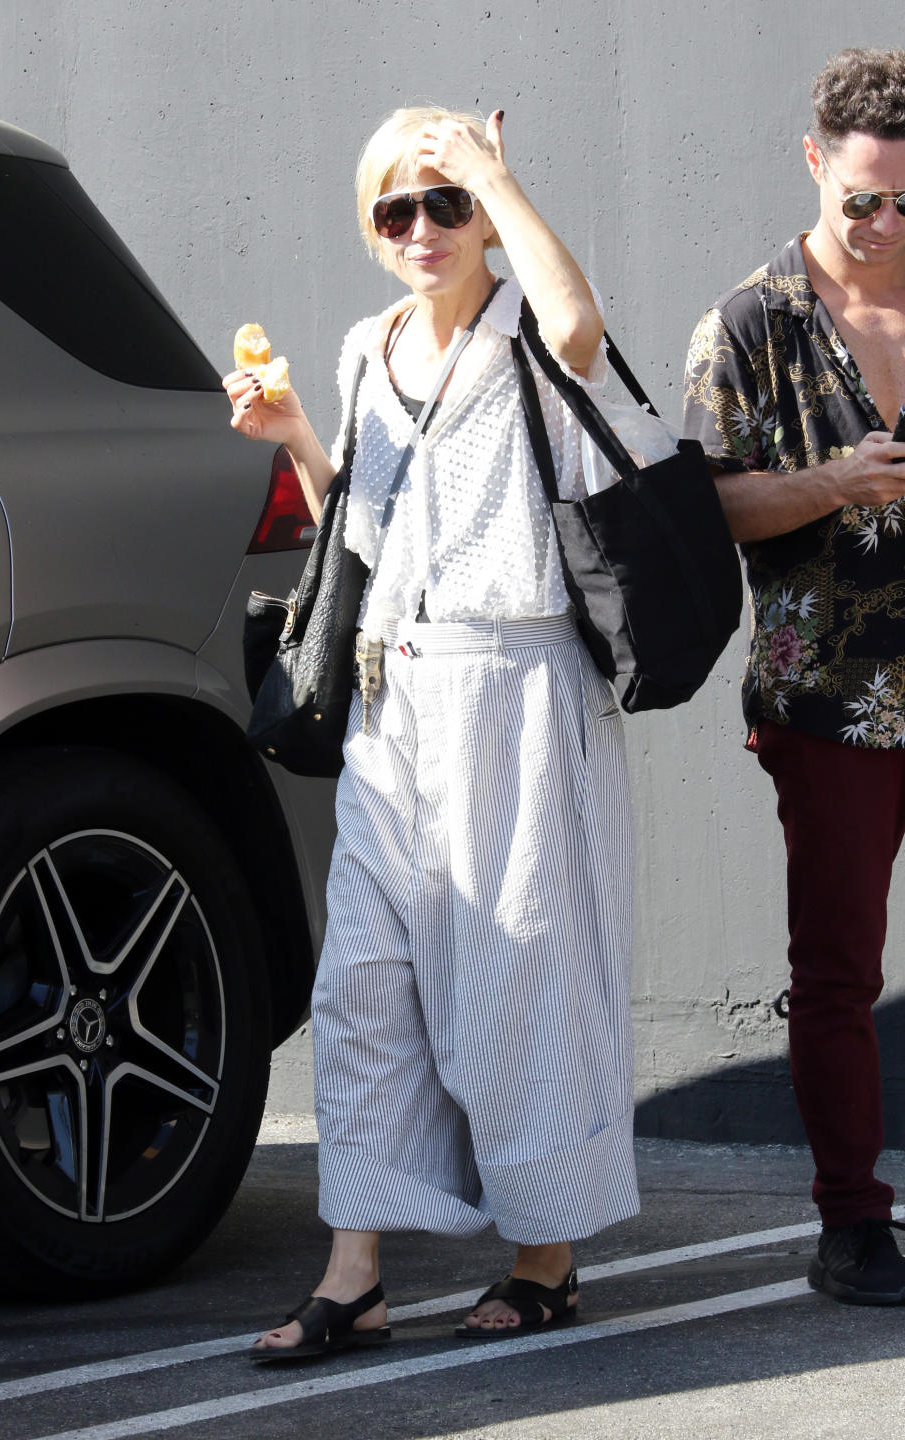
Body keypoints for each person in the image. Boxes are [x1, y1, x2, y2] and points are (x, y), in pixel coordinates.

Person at [224, 105, 638, 1357]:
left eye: (442, 204)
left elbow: (578, 327)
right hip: (393, 695)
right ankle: (356, 1271)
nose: (421, 229)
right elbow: (361, 528)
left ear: (481, 218)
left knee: (517, 975)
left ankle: (546, 1256)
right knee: (362, 985)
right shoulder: (367, 347)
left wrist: (496, 179)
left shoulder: (526, 329)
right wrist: (294, 432)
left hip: (516, 692)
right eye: (395, 209)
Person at [684, 47, 905, 1305]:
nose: (882, 228)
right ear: (816, 161)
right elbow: (708, 505)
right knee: (839, 965)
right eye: (861, 200)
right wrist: (831, 485)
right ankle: (850, 1223)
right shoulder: (752, 321)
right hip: (830, 691)